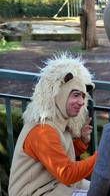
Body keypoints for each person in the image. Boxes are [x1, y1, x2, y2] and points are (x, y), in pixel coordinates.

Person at [9, 53, 97, 196]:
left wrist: (81, 142)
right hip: (37, 193)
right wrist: (104, 154)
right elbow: (66, 173)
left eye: (83, 96)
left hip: (55, 187)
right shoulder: (42, 131)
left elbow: (57, 154)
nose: (81, 102)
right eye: (75, 95)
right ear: (59, 93)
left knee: (105, 189)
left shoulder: (60, 122)